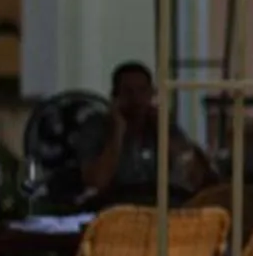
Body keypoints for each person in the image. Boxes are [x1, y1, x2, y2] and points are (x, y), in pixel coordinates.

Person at [77, 61, 212, 199]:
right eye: (128, 92)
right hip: (115, 203)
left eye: (143, 90)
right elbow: (96, 182)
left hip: (160, 202)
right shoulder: (96, 126)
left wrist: (163, 131)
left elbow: (194, 177)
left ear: (152, 93)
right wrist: (117, 133)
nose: (136, 99)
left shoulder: (163, 125)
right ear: (115, 96)